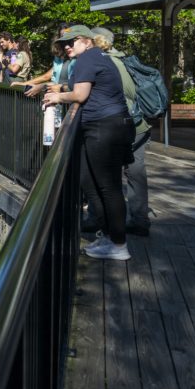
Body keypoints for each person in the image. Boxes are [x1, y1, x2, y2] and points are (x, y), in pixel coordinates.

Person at [43, 25, 135, 260]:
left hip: (105, 127)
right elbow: (84, 88)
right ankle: (108, 236)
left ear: (86, 41)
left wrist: (57, 96)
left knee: (108, 186)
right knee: (89, 181)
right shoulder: (94, 57)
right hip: (102, 127)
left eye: (72, 42)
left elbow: (80, 94)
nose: (67, 46)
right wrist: (63, 88)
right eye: (65, 43)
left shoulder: (88, 58)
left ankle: (119, 243)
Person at [91, 27, 151, 236]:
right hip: (138, 124)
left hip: (116, 125)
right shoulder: (126, 60)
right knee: (135, 173)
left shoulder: (103, 64)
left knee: (105, 173)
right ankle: (140, 220)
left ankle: (103, 221)